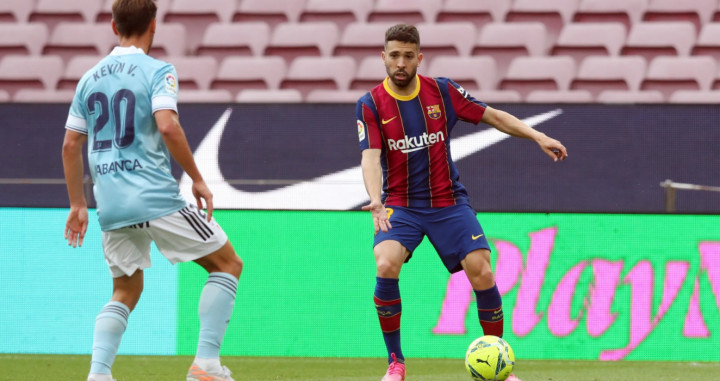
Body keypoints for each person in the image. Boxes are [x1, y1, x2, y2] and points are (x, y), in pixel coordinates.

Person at [356, 24, 568, 381]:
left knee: (482, 269)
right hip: (400, 205)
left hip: (448, 202)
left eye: (408, 55)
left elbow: (493, 116)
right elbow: (370, 157)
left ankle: (498, 360)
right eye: (394, 55)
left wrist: (536, 134)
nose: (401, 62)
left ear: (419, 58)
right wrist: (375, 200)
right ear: (384, 58)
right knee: (386, 262)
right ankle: (395, 363)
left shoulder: (442, 91)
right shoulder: (371, 104)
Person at [61, 1, 243, 380]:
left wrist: (78, 203)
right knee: (227, 264)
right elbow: (168, 126)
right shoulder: (158, 70)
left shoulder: (88, 78)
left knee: (125, 291)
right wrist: (196, 177)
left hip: (109, 206)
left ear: (113, 26)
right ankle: (206, 364)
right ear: (154, 25)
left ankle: (98, 375)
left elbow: (69, 145)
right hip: (156, 199)